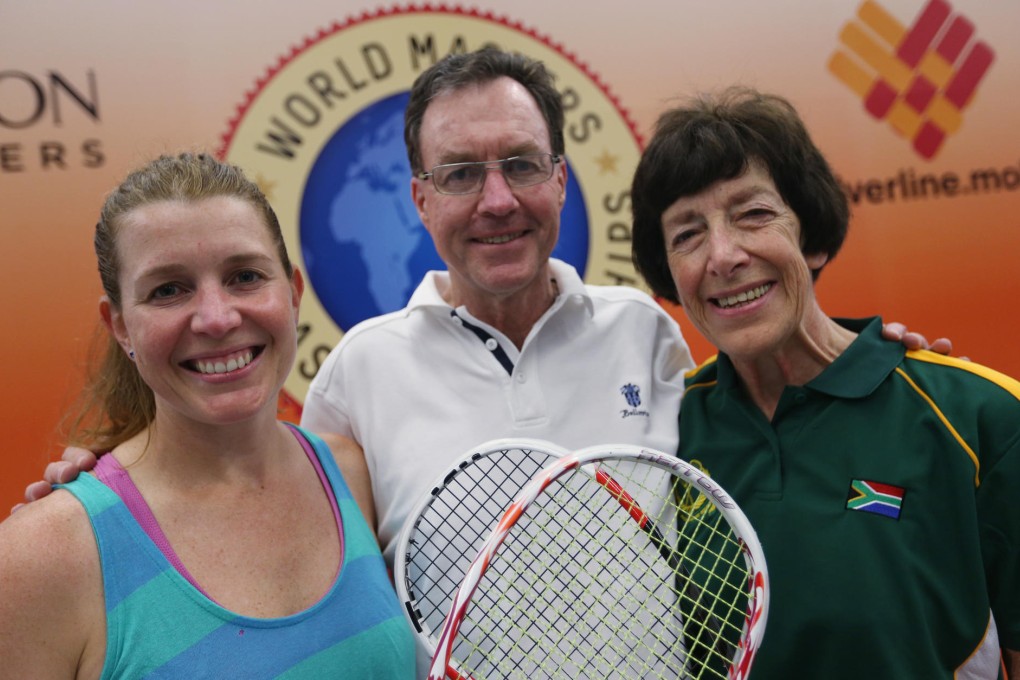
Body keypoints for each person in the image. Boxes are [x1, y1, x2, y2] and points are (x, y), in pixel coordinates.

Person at [630, 86, 1019, 679]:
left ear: (809, 236)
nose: (723, 256)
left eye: (753, 214)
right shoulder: (664, 437)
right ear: (670, 276)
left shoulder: (982, 416)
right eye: (687, 235)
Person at [0, 153, 415, 678]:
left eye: (245, 276)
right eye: (168, 290)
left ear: (292, 294)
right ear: (120, 327)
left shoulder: (348, 472)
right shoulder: (43, 555)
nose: (217, 319)